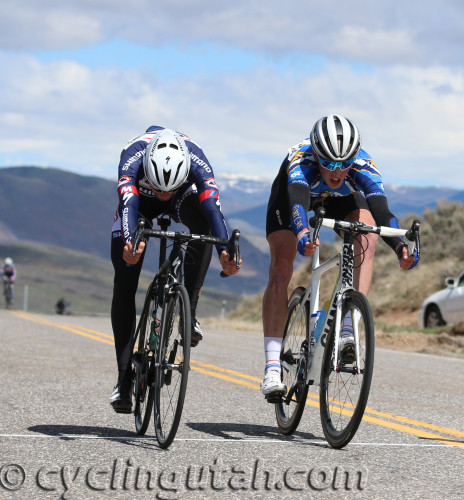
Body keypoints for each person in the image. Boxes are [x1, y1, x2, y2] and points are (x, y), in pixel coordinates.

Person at [260, 114, 419, 397]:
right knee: (281, 269)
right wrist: (301, 235)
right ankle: (272, 367)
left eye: (344, 164)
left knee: (367, 234)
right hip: (294, 198)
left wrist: (399, 247)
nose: (336, 170)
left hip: (341, 199)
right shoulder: (302, 160)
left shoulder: (363, 165)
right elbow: (297, 203)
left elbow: (382, 212)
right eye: (329, 163)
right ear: (317, 154)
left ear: (354, 159)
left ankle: (348, 329)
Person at [110, 126, 241, 413]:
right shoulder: (132, 159)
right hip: (139, 204)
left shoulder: (198, 161)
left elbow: (212, 210)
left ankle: (188, 312)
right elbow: (129, 203)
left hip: (186, 197)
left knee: (204, 227)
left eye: (168, 188)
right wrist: (132, 244)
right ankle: (123, 378)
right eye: (159, 188)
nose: (163, 194)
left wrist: (224, 251)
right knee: (125, 279)